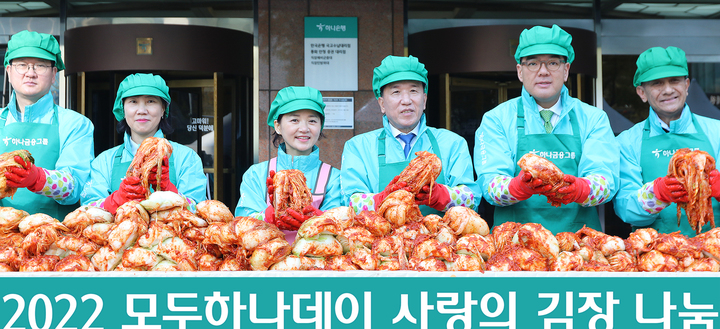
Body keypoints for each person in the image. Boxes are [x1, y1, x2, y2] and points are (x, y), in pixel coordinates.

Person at [475, 25, 619, 233]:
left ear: (566, 70)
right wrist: (520, 187)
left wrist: (578, 189)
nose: (543, 71)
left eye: (553, 62)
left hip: (580, 248)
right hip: (515, 250)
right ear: (520, 72)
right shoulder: (496, 119)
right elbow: (490, 186)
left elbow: (606, 182)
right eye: (532, 63)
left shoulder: (593, 118)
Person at [341, 55, 477, 216]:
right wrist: (383, 198)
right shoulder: (358, 147)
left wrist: (440, 195)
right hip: (379, 241)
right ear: (382, 104)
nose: (406, 100)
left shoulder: (453, 143)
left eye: (413, 91)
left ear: (424, 99)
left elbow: (471, 199)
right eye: (396, 92)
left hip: (440, 239)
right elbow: (349, 203)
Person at [614, 46, 720, 235]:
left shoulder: (717, 132)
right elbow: (625, 208)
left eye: (675, 81)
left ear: (686, 85)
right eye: (657, 83)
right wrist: (657, 194)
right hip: (656, 257)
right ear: (642, 93)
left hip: (713, 254)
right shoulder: (628, 142)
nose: (668, 90)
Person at [0, 30, 94, 219]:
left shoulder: (76, 124)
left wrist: (37, 178)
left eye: (40, 65)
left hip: (54, 241)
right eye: (22, 65)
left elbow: (76, 187)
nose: (30, 73)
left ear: (53, 74)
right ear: (9, 72)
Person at [81, 73, 206, 214]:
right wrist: (116, 200)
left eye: (151, 101)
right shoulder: (104, 161)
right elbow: (86, 212)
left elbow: (202, 211)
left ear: (163, 109)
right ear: (123, 109)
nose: (141, 111)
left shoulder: (187, 158)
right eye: (133, 101)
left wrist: (170, 192)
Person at [235, 86, 342, 238]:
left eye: (312, 120)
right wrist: (269, 215)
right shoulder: (255, 175)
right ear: (278, 125)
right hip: (267, 258)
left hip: (318, 260)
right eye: (294, 120)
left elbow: (342, 227)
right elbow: (241, 225)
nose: (304, 128)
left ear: (320, 126)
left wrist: (318, 218)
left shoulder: (334, 178)